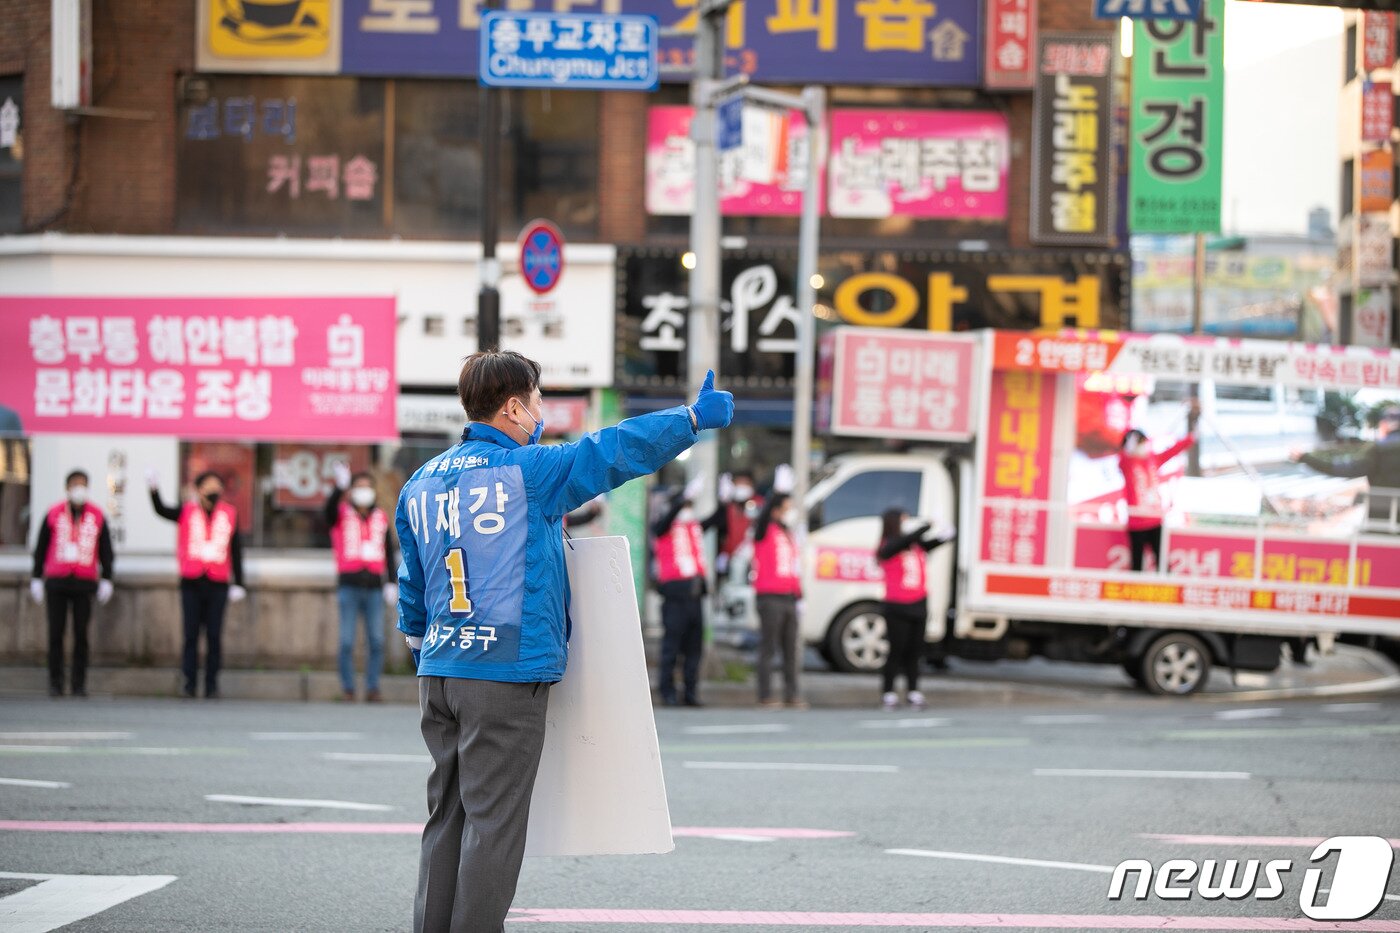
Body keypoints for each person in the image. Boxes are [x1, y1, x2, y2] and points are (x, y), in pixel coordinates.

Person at [395, 351, 732, 933]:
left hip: (439, 667)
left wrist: (427, 639)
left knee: (446, 816)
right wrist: (691, 420)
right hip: (503, 670)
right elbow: (612, 451)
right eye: (537, 400)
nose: (541, 411)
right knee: (494, 823)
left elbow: (413, 584)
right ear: (513, 406)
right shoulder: (529, 473)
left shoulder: (420, 483)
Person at [147, 468, 247, 699]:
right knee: (190, 634)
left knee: (214, 635)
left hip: (218, 583)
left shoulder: (229, 513)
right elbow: (162, 510)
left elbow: (236, 549)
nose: (214, 490)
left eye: (217, 486)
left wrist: (239, 582)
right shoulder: (187, 511)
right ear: (199, 490)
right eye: (209, 486)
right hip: (192, 581)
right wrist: (153, 490)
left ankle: (211, 684)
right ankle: (189, 683)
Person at [30, 470, 114, 697]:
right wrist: (37, 577)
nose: (79, 488)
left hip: (84, 582)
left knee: (81, 634)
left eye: (83, 484)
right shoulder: (54, 513)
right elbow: (41, 547)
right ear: (67, 488)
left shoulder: (96, 515)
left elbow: (106, 549)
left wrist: (107, 577)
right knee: (55, 633)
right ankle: (55, 682)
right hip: (57, 581)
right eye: (75, 484)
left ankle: (79, 683)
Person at [327, 463, 398, 703]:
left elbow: (388, 550)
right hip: (349, 584)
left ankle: (372, 687)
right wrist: (339, 489)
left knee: (377, 641)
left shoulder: (380, 516)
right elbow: (326, 512)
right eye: (359, 487)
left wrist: (391, 581)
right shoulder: (341, 514)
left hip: (375, 587)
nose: (364, 491)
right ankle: (348, 687)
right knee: (346, 641)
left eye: (368, 487)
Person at [875, 509, 952, 711]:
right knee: (896, 651)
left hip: (918, 604)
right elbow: (901, 543)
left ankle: (913, 692)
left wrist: (945, 531)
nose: (907, 522)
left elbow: (936, 542)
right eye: (903, 519)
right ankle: (888, 693)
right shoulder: (888, 546)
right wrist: (924, 526)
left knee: (915, 652)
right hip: (897, 606)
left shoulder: (915, 545)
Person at [651, 475, 713, 708]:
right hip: (675, 596)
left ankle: (690, 692)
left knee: (694, 649)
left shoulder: (692, 528)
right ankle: (667, 691)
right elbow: (663, 524)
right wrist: (681, 501)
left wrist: (729, 503)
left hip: (695, 596)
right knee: (671, 648)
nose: (688, 510)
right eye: (685, 505)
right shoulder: (663, 527)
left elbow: (717, 521)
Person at [1295, 404, 1400, 528]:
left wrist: (1304, 457)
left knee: (1375, 545)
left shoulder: (1378, 449)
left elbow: (1342, 469)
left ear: (1384, 425)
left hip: (1381, 514)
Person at [1118, 416, 1197, 572]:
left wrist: (1191, 437)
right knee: (1137, 565)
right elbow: (1123, 458)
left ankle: (1166, 594)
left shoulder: (1152, 460)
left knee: (1162, 563)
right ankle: (1134, 594)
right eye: (1139, 442)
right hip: (1137, 521)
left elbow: (1173, 450)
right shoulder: (1127, 463)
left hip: (1155, 519)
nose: (1143, 445)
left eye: (1143, 441)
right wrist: (1129, 447)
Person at [751, 492, 804, 710]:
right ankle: (765, 695)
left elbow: (794, 566)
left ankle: (792, 694)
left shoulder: (787, 533)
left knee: (790, 649)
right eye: (786, 508)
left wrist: (800, 594)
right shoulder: (764, 530)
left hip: (789, 597)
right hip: (769, 596)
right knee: (768, 648)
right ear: (775, 510)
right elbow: (761, 523)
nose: (789, 512)